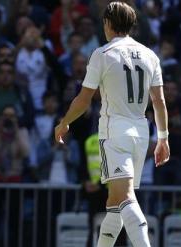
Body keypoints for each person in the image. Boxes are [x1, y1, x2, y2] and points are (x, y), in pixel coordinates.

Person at [54, 2, 170, 247]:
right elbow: (158, 101)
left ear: (107, 23)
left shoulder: (103, 54)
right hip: (141, 131)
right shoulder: (150, 55)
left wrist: (64, 123)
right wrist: (163, 138)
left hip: (114, 129)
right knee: (114, 203)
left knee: (125, 198)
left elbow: (84, 99)